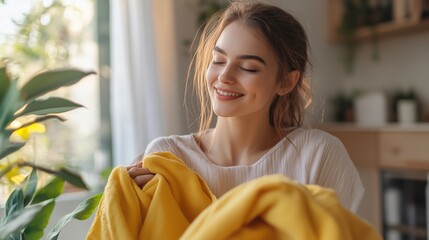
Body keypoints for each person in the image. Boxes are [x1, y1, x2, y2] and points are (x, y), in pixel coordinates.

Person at [127, 0, 364, 212]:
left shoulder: (318, 155)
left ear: (286, 81)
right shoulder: (168, 156)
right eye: (218, 61)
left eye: (248, 67)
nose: (224, 76)